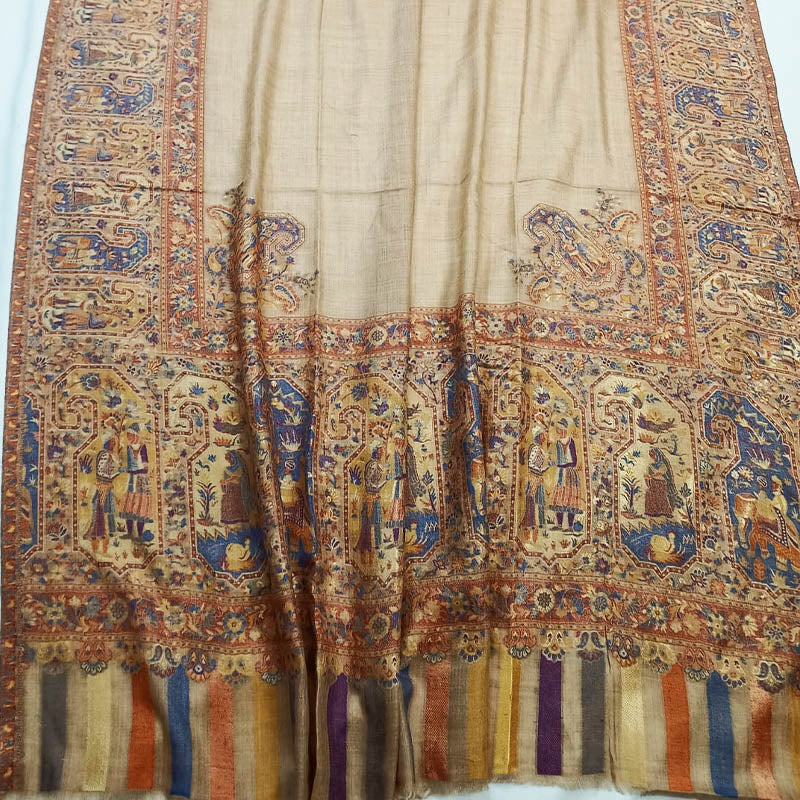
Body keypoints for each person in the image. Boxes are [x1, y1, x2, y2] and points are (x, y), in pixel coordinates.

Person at [121, 423, 152, 540]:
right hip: (131, 480)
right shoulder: (128, 448)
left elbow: (145, 467)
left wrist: (133, 470)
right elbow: (130, 465)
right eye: (127, 435)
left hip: (141, 480)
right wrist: (125, 469)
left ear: (135, 435)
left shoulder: (143, 447)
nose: (128, 438)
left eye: (130, 435)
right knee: (129, 505)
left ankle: (139, 535)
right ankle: (130, 533)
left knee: (140, 506)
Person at [550, 419, 580, 531]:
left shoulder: (571, 441)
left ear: (563, 429)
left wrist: (563, 465)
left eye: (559, 429)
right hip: (560, 473)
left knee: (570, 497)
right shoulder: (557, 443)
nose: (558, 431)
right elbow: (557, 459)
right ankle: (559, 525)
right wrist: (554, 463)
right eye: (557, 429)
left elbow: (574, 460)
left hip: (570, 473)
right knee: (559, 498)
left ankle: (570, 526)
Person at [521, 428, 547, 542]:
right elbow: (531, 464)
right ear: (538, 436)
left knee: (537, 499)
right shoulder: (535, 448)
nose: (544, 438)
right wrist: (540, 470)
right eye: (542, 435)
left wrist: (543, 469)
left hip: (537, 476)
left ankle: (534, 522)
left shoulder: (539, 448)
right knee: (531, 498)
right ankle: (530, 522)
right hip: (534, 477)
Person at [644, 447, 678, 518]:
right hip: (653, 482)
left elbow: (660, 473)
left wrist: (652, 475)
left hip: (661, 483)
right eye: (651, 455)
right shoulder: (650, 465)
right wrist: (647, 478)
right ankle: (653, 512)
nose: (652, 457)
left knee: (661, 496)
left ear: (657, 455)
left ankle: (665, 512)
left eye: (653, 455)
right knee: (650, 494)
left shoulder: (662, 465)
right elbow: (647, 474)